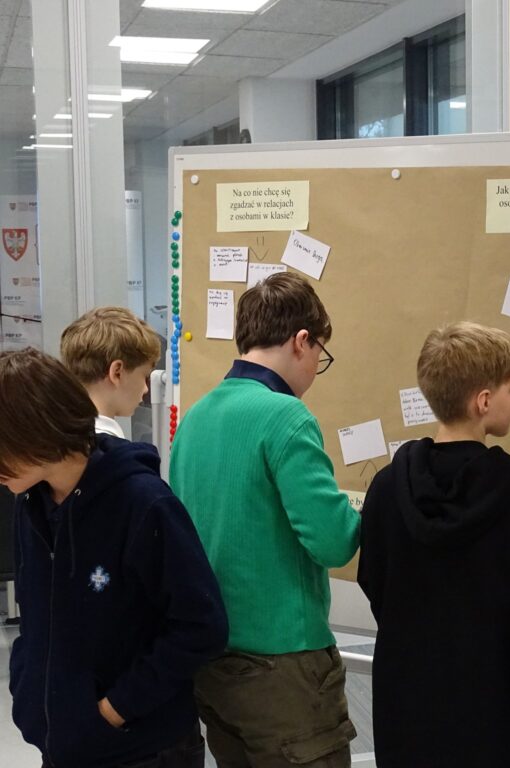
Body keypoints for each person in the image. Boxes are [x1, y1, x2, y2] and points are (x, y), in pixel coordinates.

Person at [169, 271, 361, 767]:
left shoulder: (195, 418)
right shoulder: (287, 417)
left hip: (214, 657)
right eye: (320, 354)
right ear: (302, 341)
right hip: (284, 665)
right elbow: (333, 541)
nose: (316, 367)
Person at [1, 348, 227, 768]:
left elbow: (202, 627)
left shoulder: (143, 502)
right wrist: (27, 686)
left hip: (140, 749)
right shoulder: (30, 502)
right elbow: (34, 612)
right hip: (63, 745)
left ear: (38, 431)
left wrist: (114, 709)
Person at [357, 320, 510, 768]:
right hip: (505, 719)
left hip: (410, 716)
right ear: (483, 401)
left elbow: (374, 583)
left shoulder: (387, 488)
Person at [61, 306, 162, 437]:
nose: (145, 389)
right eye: (144, 376)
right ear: (117, 372)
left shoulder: (56, 436)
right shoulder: (114, 448)